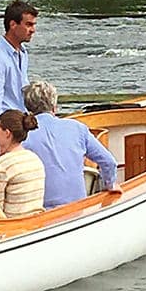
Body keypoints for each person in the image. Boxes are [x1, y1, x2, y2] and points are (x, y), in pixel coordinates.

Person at [0, 0, 39, 208]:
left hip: (17, 125)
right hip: (2, 129)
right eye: (29, 25)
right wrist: (1, 135)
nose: (33, 30)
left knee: (11, 172)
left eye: (33, 25)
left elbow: (21, 90)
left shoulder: (22, 53)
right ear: (13, 24)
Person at [21, 81, 121, 209]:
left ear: (28, 109)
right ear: (54, 106)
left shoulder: (23, 136)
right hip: (77, 207)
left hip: (41, 210)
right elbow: (109, 162)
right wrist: (110, 184)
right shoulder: (77, 128)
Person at [0, 109, 45, 219]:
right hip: (34, 222)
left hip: (11, 226)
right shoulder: (35, 159)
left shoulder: (1, 166)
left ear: (7, 133)